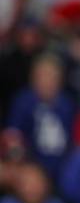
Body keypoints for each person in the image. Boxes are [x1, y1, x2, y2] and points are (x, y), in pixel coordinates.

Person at [7, 53, 75, 181]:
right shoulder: (23, 102)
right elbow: (13, 137)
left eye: (52, 76)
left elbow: (72, 139)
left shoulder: (66, 104)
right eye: (42, 76)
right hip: (31, 167)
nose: (47, 81)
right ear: (33, 78)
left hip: (62, 167)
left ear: (60, 80)